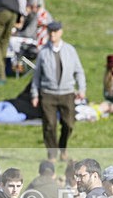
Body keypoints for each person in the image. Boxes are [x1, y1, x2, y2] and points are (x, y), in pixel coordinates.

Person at [31, 20, 85, 160]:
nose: (52, 35)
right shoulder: (43, 52)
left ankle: (63, 149)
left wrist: (81, 89)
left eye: (55, 32)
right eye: (50, 32)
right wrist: (35, 94)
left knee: (69, 124)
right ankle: (52, 153)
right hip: (48, 93)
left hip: (67, 93)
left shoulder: (70, 50)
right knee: (49, 125)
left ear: (60, 32)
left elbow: (79, 71)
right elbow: (36, 75)